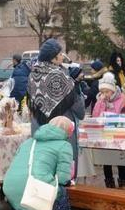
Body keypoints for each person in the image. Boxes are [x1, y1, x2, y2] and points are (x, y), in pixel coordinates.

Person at [2, 117, 74, 210]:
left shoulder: (29, 141)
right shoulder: (64, 146)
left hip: (10, 186)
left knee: (29, 196)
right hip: (33, 188)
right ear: (68, 132)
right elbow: (64, 178)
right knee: (59, 192)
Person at [28, 39, 85, 179]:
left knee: (43, 170)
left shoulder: (32, 75)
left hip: (40, 129)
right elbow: (79, 110)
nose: (62, 56)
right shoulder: (61, 75)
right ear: (53, 57)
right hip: (61, 131)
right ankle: (63, 198)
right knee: (63, 171)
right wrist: (76, 86)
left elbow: (31, 104)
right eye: (60, 54)